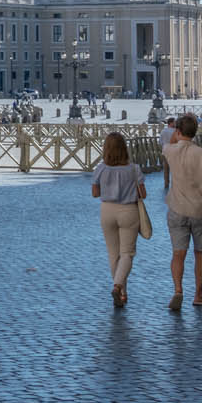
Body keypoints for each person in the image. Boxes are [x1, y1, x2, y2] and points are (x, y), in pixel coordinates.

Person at [161, 115, 202, 311]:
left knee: (178, 253)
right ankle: (198, 294)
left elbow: (172, 141)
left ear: (178, 131)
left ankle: (178, 290)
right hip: (200, 210)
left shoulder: (170, 150)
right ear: (195, 132)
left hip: (177, 208)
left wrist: (177, 134)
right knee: (200, 253)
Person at [89, 131, 148, 309]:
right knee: (127, 254)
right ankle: (118, 287)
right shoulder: (134, 168)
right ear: (124, 149)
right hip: (128, 210)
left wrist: (109, 188)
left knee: (113, 254)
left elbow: (95, 193)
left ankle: (122, 292)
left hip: (107, 210)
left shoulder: (100, 168)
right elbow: (143, 194)